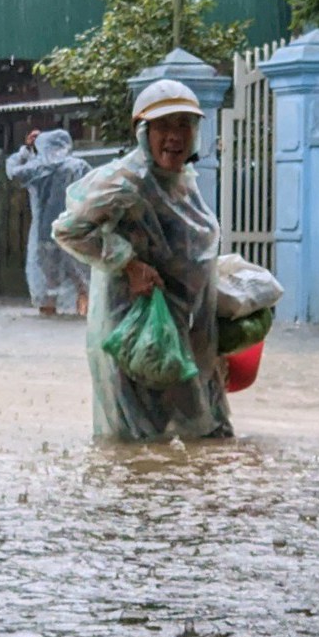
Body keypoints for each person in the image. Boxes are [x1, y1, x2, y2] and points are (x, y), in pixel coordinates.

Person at [52, 80, 231, 442]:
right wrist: (129, 264)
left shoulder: (183, 181)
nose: (175, 136)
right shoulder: (125, 181)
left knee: (208, 442)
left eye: (184, 124)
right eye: (164, 126)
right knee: (140, 445)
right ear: (142, 132)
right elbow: (67, 230)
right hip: (136, 337)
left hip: (185, 334)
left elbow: (192, 252)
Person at [6, 127, 93, 317]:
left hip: (46, 231)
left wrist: (25, 150)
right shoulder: (78, 166)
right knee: (78, 273)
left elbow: (12, 172)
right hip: (74, 229)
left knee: (49, 278)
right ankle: (84, 307)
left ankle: (49, 309)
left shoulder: (38, 169)